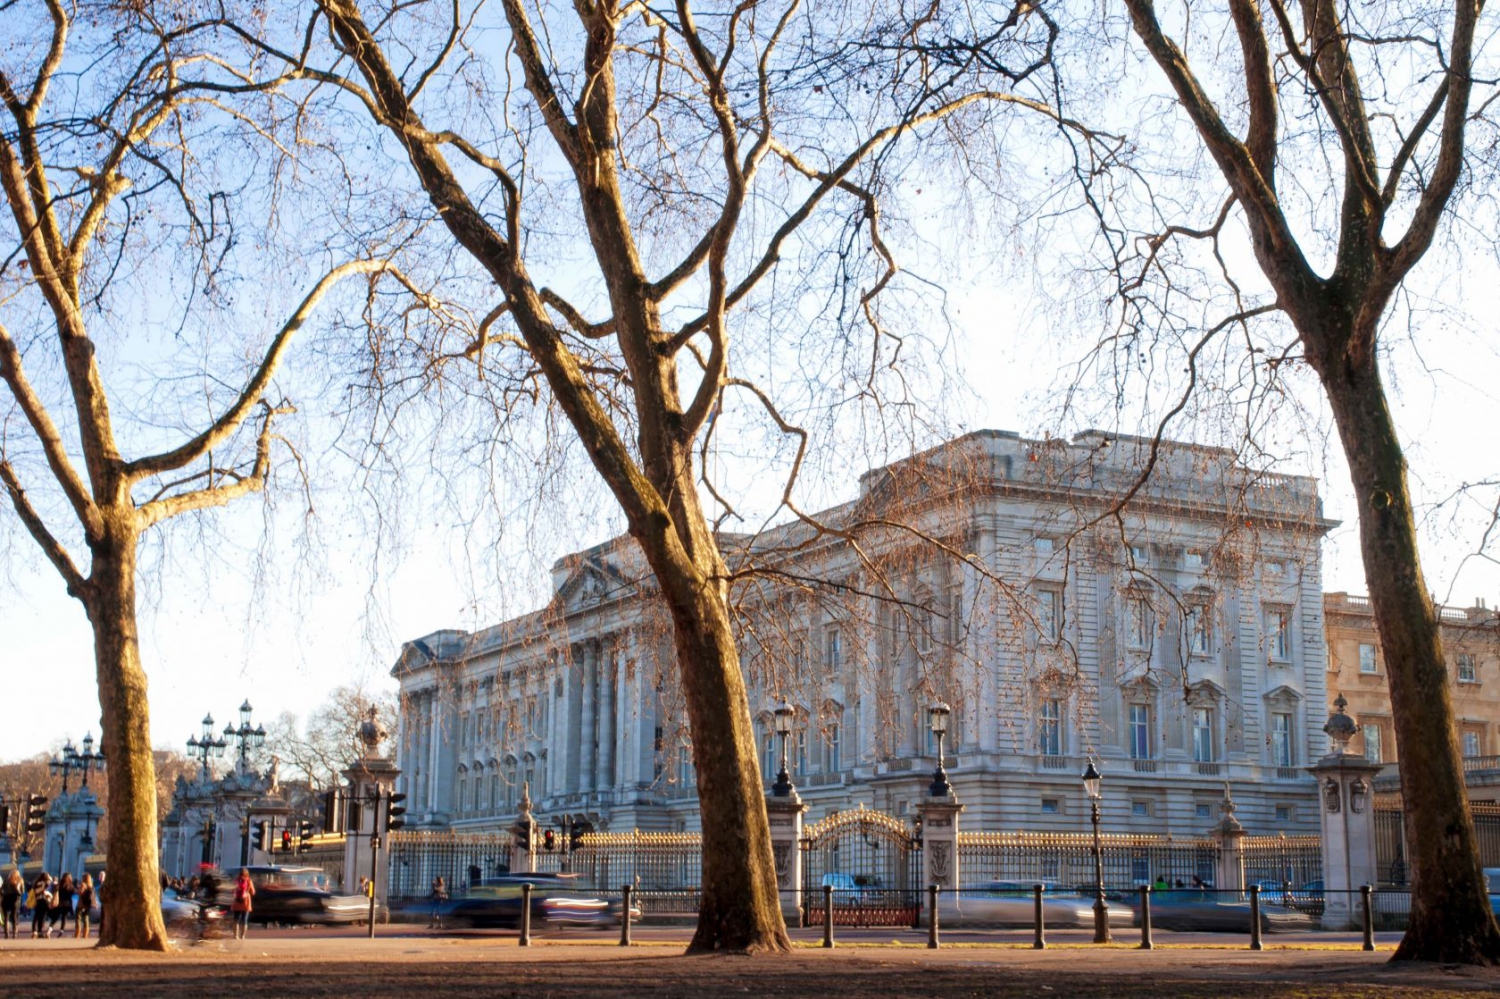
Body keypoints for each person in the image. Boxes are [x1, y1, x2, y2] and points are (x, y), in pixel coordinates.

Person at [230, 869, 255, 940]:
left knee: (236, 919)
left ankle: (235, 935)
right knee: (244, 920)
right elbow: (253, 892)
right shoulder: (248, 880)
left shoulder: (236, 880)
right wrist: (247, 892)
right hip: (246, 902)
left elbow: (232, 890)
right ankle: (243, 936)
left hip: (237, 901)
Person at [51, 872, 75, 937]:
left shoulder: (59, 884)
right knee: (64, 918)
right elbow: (73, 892)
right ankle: (61, 931)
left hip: (59, 902)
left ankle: (50, 929)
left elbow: (55, 890)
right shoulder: (70, 885)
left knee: (56, 917)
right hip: (67, 903)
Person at [29, 874, 52, 939]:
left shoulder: (36, 883)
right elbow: (49, 882)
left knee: (36, 916)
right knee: (42, 917)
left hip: (37, 900)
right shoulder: (43, 883)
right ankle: (39, 931)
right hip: (43, 900)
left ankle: (34, 931)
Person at [1, 870, 22, 939]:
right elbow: (21, 891)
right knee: (14, 917)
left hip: (6, 899)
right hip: (15, 899)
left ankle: (6, 934)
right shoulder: (20, 881)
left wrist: (3, 895)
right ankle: (14, 934)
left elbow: (0, 890)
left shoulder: (7, 880)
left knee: (6, 918)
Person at [74, 874, 96, 939]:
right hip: (87, 905)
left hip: (81, 904)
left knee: (78, 919)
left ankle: (77, 934)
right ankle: (85, 934)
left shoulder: (83, 884)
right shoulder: (91, 885)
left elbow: (80, 892)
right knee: (86, 919)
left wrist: (76, 890)